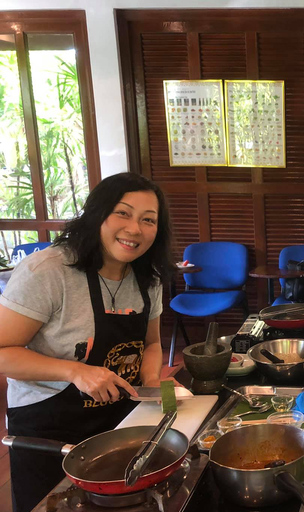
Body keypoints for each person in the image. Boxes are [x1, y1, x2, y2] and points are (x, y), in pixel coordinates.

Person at [0, 172, 174, 512]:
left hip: (119, 421)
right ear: (96, 213)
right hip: (48, 427)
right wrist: (75, 372)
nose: (134, 229)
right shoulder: (48, 271)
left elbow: (152, 345)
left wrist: (156, 386)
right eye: (122, 213)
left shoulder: (147, 276)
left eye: (148, 220)